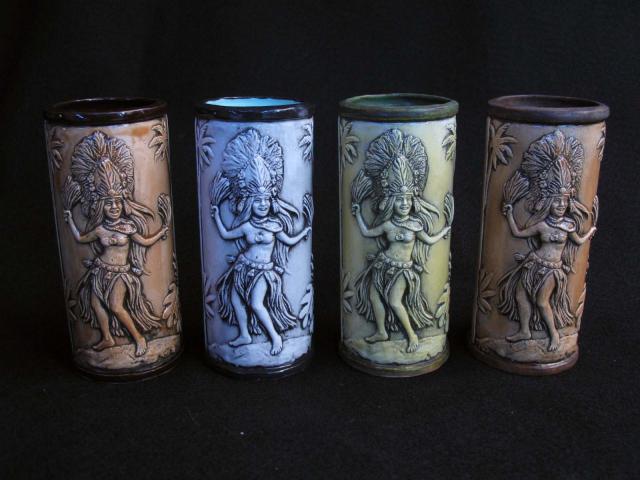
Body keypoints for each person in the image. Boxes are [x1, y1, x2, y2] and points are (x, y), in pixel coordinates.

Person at [352, 129, 450, 353]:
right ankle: (381, 331)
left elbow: (428, 240)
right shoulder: (388, 225)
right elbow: (367, 233)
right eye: (399, 200)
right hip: (382, 264)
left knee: (395, 301)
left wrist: (444, 230)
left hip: (402, 270)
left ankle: (412, 336)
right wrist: (357, 214)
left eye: (407, 199)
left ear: (414, 199)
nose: (404, 204)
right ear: (390, 201)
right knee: (374, 296)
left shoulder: (415, 225)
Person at [65, 146, 168, 357]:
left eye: (117, 202)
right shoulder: (100, 229)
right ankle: (107, 338)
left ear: (123, 204)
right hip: (100, 270)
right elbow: (80, 238)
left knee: (116, 306)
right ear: (101, 206)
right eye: (108, 203)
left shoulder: (128, 227)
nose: (114, 207)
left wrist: (162, 231)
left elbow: (145, 241)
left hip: (120, 273)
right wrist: (70, 220)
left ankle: (139, 338)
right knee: (95, 304)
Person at [498, 130, 595, 351]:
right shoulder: (542, 225)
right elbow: (518, 233)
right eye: (556, 201)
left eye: (564, 201)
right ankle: (524, 330)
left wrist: (590, 232)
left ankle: (554, 335)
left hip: (552, 269)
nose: (561, 205)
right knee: (520, 295)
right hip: (533, 263)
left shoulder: (568, 225)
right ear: (548, 201)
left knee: (542, 302)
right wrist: (510, 213)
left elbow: (578, 241)